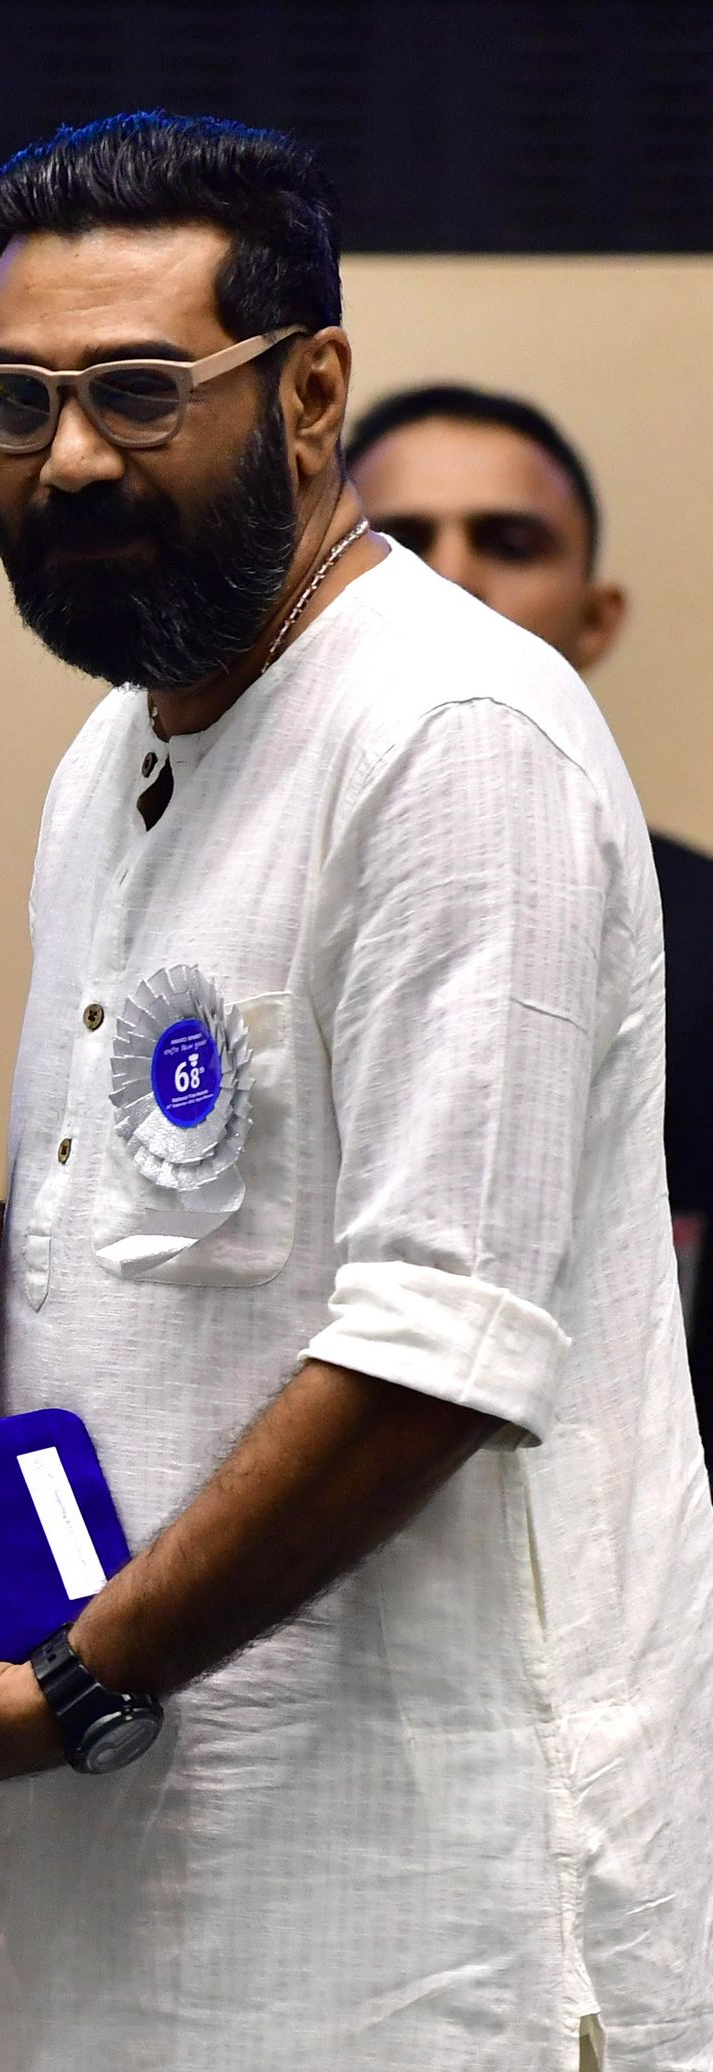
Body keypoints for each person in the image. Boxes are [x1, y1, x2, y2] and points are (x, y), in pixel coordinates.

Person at [0, 114, 713, 2072]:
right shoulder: (105, 760)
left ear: (307, 394)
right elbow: (169, 1266)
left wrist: (71, 1684)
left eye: (135, 391)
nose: (67, 459)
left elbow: (433, 1342)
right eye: (13, 402)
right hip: (143, 1880)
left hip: (414, 1902)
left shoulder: (446, 731)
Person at [346, 383, 713, 1479]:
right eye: (401, 538)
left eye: (509, 543)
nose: (452, 577)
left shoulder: (700, 930)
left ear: (595, 618)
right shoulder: (232, 887)